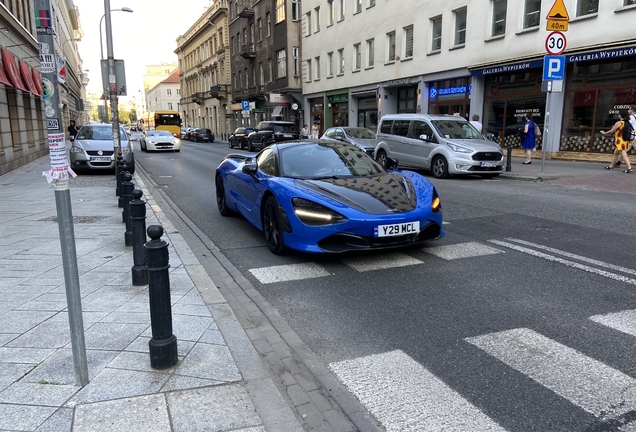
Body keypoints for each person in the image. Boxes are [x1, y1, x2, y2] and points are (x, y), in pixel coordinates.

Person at [600, 109, 633, 173]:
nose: (618, 115)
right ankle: (611, 166)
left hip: (620, 140)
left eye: (619, 114)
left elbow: (612, 130)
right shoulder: (628, 122)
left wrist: (604, 133)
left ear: (621, 115)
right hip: (626, 140)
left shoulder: (619, 123)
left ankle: (629, 167)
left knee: (623, 153)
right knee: (616, 153)